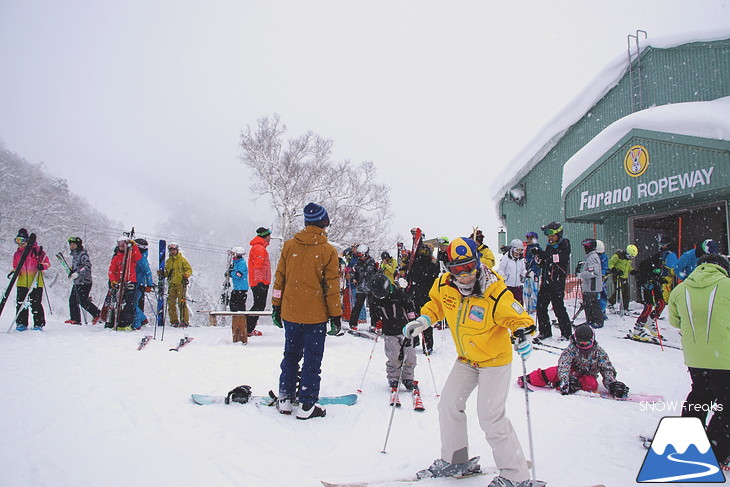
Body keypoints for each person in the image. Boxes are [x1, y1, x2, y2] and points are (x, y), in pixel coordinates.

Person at [404, 237, 540, 487]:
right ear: (450, 269)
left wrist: (523, 335)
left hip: (494, 361)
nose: (464, 274)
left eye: (469, 267)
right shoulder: (445, 285)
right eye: (458, 268)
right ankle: (456, 459)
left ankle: (516, 475)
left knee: (490, 416)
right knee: (448, 405)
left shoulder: (494, 291)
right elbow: (435, 305)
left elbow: (519, 317)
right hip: (467, 359)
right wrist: (424, 320)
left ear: (477, 263)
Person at [271, 202, 342, 420]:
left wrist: (276, 306)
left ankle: (284, 399)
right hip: (315, 316)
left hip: (290, 313)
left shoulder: (289, 246)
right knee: (312, 360)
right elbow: (331, 286)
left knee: (290, 356)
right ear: (324, 223)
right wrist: (336, 316)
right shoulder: (328, 250)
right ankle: (307, 405)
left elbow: (279, 278)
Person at [668, 253, 730, 469]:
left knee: (700, 394)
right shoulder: (727, 286)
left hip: (694, 357)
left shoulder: (680, 289)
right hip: (724, 357)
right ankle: (718, 449)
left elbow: (675, 321)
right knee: (726, 403)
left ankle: (688, 439)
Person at [519, 324, 629, 398]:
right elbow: (564, 364)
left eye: (587, 344)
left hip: (586, 376)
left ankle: (574, 384)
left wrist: (612, 384)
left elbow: (607, 368)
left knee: (591, 384)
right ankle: (529, 378)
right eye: (581, 344)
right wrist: (565, 381)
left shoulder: (599, 352)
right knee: (553, 372)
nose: (584, 346)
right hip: (571, 372)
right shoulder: (572, 349)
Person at [368, 272, 418, 392]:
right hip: (389, 330)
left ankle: (408, 378)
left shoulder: (399, 295)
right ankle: (393, 378)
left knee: (410, 355)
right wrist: (376, 322)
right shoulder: (374, 299)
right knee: (393, 355)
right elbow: (374, 314)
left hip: (405, 329)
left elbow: (410, 309)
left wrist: (414, 324)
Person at [531, 221, 572, 341]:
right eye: (548, 236)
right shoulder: (549, 246)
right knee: (541, 306)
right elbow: (546, 261)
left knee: (558, 307)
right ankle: (545, 331)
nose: (550, 238)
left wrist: (542, 254)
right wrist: (539, 258)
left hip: (557, 282)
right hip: (546, 281)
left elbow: (558, 259)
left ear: (558, 234)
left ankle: (566, 333)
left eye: (552, 235)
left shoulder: (564, 245)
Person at [12, 228, 50, 331]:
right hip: (22, 282)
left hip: (36, 282)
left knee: (35, 303)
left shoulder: (37, 251)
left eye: (21, 241)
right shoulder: (17, 254)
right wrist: (15, 272)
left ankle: (38, 323)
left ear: (27, 240)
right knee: (21, 303)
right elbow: (16, 267)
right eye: (17, 241)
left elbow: (47, 263)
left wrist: (42, 266)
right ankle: (21, 323)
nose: (19, 244)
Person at [407, 240, 439, 354]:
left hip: (417, 295)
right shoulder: (430, 265)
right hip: (424, 295)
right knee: (423, 320)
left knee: (417, 319)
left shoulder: (416, 264)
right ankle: (426, 344)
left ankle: (418, 342)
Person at [628, 249, 666, 341]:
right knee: (648, 306)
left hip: (655, 284)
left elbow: (657, 274)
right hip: (645, 285)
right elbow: (642, 275)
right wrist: (647, 280)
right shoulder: (648, 263)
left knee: (661, 303)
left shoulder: (661, 264)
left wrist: (659, 279)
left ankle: (650, 320)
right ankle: (638, 329)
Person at [65, 236, 101, 325]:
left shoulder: (82, 254)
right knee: (73, 300)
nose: (72, 246)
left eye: (74, 244)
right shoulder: (74, 255)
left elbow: (87, 266)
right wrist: (72, 272)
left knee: (82, 300)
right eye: (70, 245)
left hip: (84, 282)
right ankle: (75, 318)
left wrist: (78, 274)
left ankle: (97, 314)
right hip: (77, 282)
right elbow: (77, 267)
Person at [107, 237, 142, 330]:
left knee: (129, 304)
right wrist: (113, 280)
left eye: (123, 244)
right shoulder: (116, 257)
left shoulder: (131, 255)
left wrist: (134, 246)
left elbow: (138, 257)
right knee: (116, 303)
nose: (121, 246)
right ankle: (113, 322)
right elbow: (111, 270)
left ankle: (126, 323)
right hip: (119, 283)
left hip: (130, 281)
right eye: (119, 244)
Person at [247, 227, 272, 336]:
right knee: (258, 306)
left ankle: (248, 328)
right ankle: (248, 328)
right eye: (269, 236)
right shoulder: (259, 249)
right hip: (260, 282)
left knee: (258, 305)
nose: (270, 238)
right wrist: (260, 282)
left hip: (259, 281)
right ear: (265, 236)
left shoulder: (259, 247)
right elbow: (258, 267)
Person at [348, 244, 377, 331]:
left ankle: (374, 324)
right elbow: (353, 271)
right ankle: (353, 324)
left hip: (370, 288)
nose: (360, 257)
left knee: (373, 306)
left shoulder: (371, 261)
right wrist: (353, 278)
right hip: (360, 288)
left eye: (361, 255)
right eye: (359, 255)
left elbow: (370, 273)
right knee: (357, 306)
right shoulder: (358, 262)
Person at [164, 242, 192, 328]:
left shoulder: (182, 260)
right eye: (171, 250)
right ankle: (174, 321)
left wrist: (186, 274)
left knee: (182, 303)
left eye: (174, 250)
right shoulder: (168, 261)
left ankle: (184, 321)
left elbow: (189, 269)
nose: (172, 251)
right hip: (171, 284)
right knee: (171, 303)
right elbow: (167, 273)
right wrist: (163, 273)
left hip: (181, 284)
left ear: (177, 250)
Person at [578, 238, 603, 329]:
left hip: (592, 286)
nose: (585, 248)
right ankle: (590, 320)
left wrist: (581, 275)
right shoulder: (590, 257)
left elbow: (594, 272)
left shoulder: (592, 257)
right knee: (587, 303)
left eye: (586, 247)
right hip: (589, 285)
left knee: (592, 303)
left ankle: (598, 321)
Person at [607, 244, 637, 312]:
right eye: (629, 256)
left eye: (632, 257)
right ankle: (610, 303)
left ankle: (625, 307)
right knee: (619, 290)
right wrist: (614, 269)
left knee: (626, 292)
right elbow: (610, 263)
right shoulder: (618, 256)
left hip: (624, 277)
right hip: (617, 276)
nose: (630, 258)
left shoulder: (628, 259)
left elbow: (628, 266)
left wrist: (632, 271)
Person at [132, 238, 154, 330]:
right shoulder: (139, 257)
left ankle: (137, 324)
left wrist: (149, 285)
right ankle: (142, 319)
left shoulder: (141, 259)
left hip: (138, 284)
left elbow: (148, 272)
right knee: (133, 303)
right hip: (134, 282)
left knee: (133, 303)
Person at [229, 246, 249, 343]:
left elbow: (238, 275)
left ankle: (241, 326)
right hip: (237, 288)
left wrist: (231, 273)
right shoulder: (236, 263)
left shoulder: (242, 264)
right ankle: (236, 324)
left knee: (239, 306)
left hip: (241, 288)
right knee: (232, 305)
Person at [497, 238, 526, 305]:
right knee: (508, 304)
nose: (518, 253)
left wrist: (527, 274)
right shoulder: (506, 258)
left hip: (517, 286)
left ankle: (519, 315)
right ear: (512, 249)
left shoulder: (521, 260)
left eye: (520, 250)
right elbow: (500, 270)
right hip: (508, 286)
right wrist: (503, 276)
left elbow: (522, 271)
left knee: (518, 305)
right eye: (517, 250)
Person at [523, 231, 542, 314]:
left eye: (531, 238)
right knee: (527, 292)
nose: (529, 240)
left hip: (534, 274)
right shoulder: (527, 249)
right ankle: (528, 307)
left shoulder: (537, 249)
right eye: (528, 238)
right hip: (528, 273)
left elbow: (538, 262)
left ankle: (535, 308)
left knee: (535, 291)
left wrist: (534, 271)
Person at [595, 240, 609, 321]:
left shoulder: (603, 257)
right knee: (598, 296)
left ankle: (602, 312)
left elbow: (605, 266)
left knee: (602, 295)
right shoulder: (598, 256)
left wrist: (602, 275)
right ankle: (598, 312)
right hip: (596, 278)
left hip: (601, 279)